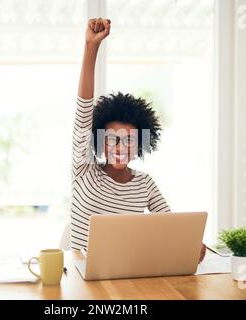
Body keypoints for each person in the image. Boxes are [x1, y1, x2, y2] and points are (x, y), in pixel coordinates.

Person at [71, 18, 206, 263]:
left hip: (125, 275)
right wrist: (91, 48)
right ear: (100, 141)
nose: (120, 148)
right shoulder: (84, 170)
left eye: (129, 140)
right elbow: (84, 108)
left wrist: (191, 243)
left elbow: (172, 226)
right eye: (112, 139)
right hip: (80, 277)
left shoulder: (144, 183)